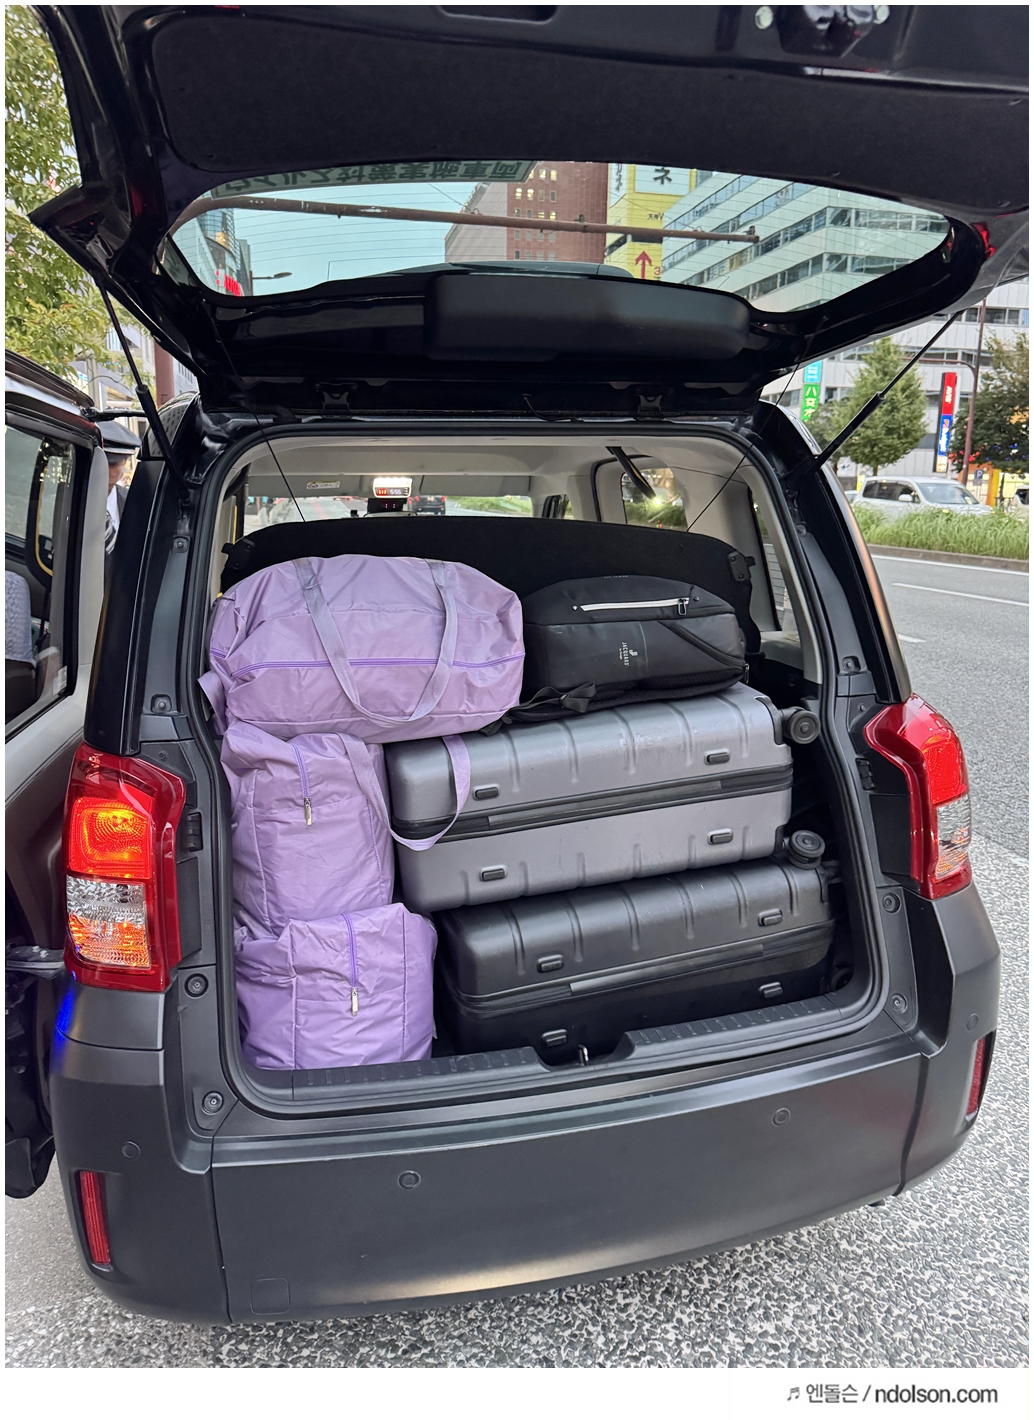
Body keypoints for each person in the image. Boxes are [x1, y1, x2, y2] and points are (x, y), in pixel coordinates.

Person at [101, 422, 141, 566]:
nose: (105, 469)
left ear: (124, 463)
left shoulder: (134, 501)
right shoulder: (70, 501)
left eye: (112, 464)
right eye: (101, 462)